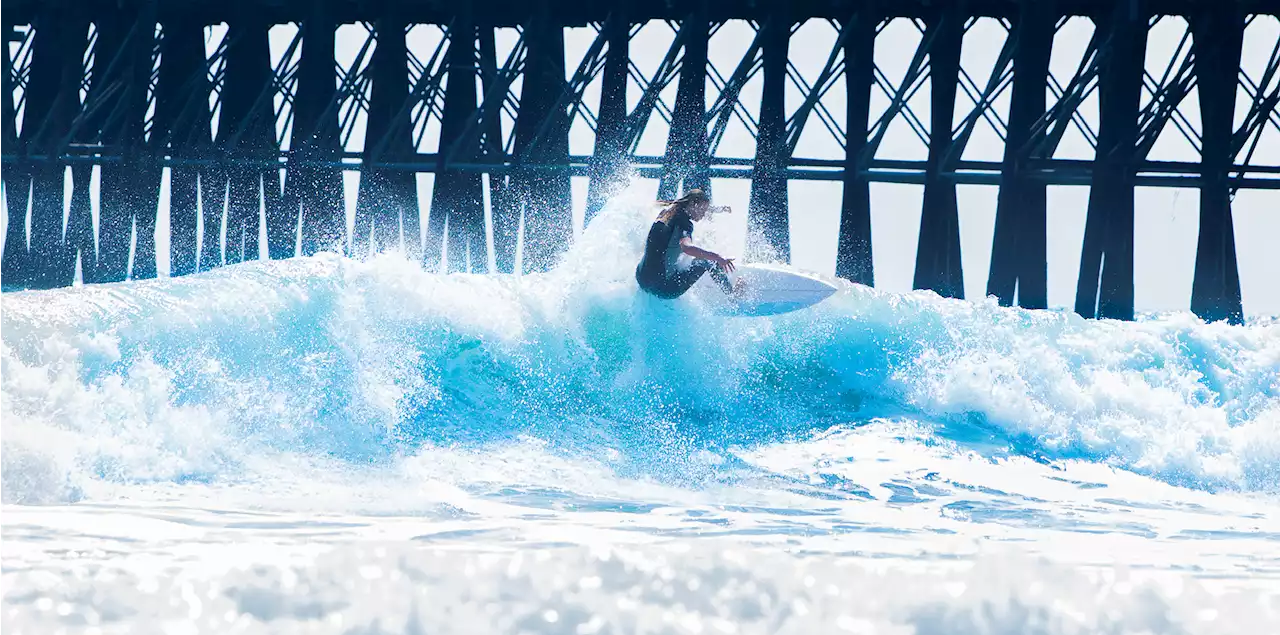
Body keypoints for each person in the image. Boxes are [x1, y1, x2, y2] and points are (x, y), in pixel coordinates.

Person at [635, 189, 741, 299]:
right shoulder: (684, 223)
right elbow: (687, 248)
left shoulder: (665, 212)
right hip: (663, 288)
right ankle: (732, 294)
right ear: (692, 204)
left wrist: (718, 209)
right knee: (708, 261)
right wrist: (718, 257)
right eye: (703, 210)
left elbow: (690, 205)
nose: (704, 214)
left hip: (641, 280)